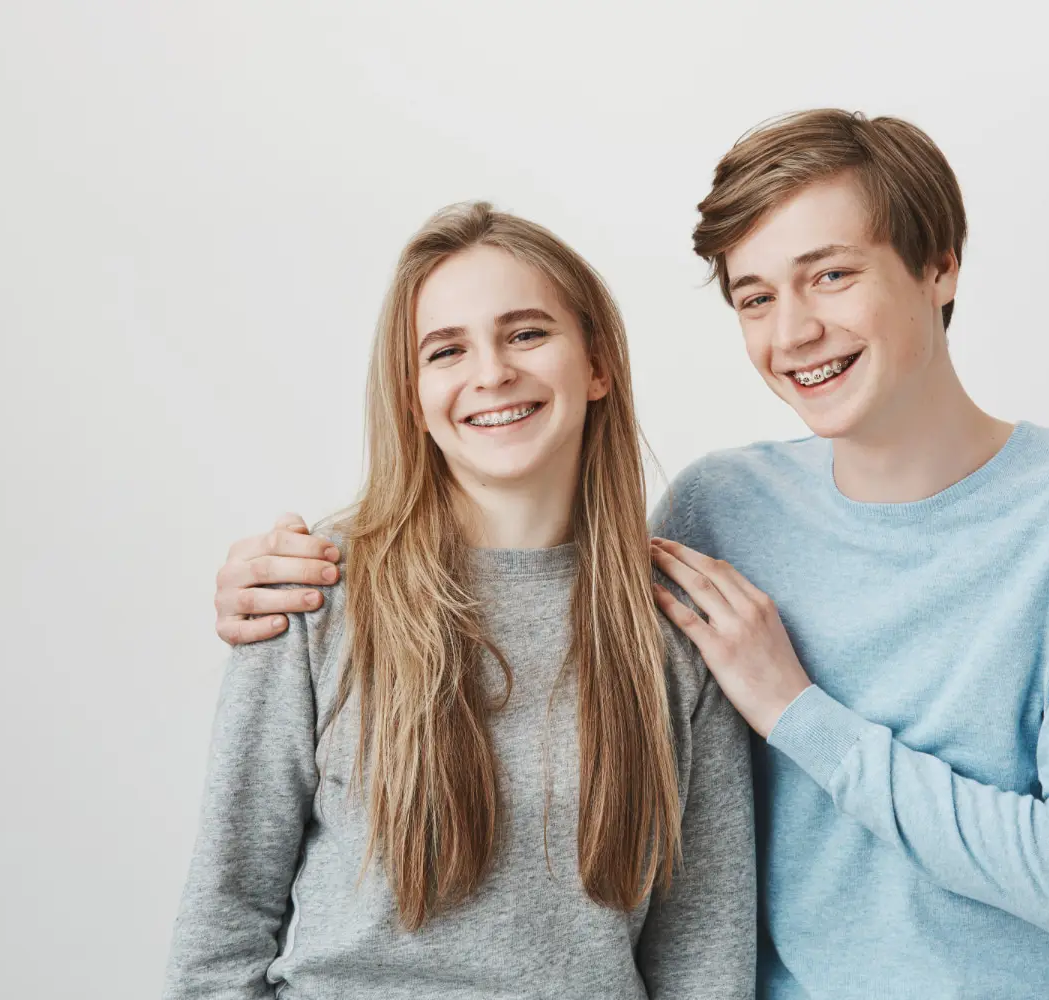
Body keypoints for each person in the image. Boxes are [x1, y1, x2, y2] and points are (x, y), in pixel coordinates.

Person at [212, 110, 1049, 1000]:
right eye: (755, 296)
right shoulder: (719, 513)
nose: (793, 330)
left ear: (940, 264)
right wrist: (281, 584)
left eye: (831, 274)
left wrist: (795, 708)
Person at [166, 203, 755, 1000]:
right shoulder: (313, 596)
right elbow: (220, 932)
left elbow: (703, 962)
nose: (491, 373)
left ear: (597, 365)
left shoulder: (678, 630)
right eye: (447, 350)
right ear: (412, 396)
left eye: (526, 334)